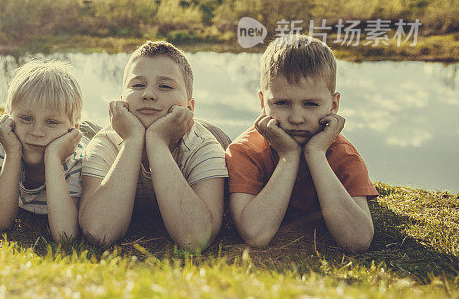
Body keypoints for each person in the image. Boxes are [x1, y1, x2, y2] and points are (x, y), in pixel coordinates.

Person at [226, 35, 377, 251]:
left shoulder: (343, 154)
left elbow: (357, 241)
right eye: (282, 103)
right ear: (262, 102)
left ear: (334, 105)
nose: (296, 118)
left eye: (311, 104)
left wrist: (316, 153)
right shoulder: (245, 151)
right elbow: (256, 235)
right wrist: (289, 156)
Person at [79, 41, 228, 250]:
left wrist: (157, 142)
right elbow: (99, 232)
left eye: (165, 86)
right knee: (84, 130)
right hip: (118, 138)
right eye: (138, 85)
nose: (148, 94)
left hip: (212, 132)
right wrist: (132, 141)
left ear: (189, 106)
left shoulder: (205, 146)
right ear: (122, 100)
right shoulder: (106, 143)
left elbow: (195, 238)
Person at [0, 60, 86, 242]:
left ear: (73, 130)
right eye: (26, 118)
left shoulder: (76, 157)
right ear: (9, 118)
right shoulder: (3, 140)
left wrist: (53, 158)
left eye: (52, 122)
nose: (37, 132)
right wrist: (13, 153)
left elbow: (66, 236)